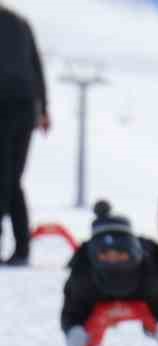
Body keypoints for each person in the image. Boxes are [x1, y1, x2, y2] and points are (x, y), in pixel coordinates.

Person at [61, 202, 158, 346]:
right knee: (82, 328)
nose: (113, 259)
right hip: (96, 302)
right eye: (105, 254)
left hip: (143, 297)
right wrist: (74, 330)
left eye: (120, 254)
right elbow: (72, 310)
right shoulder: (83, 272)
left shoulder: (151, 268)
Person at [0, 2, 47, 266]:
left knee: (3, 179)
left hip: (4, 107)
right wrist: (44, 108)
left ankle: (20, 248)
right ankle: (22, 249)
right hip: (26, 109)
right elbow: (37, 66)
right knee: (14, 180)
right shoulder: (21, 23)